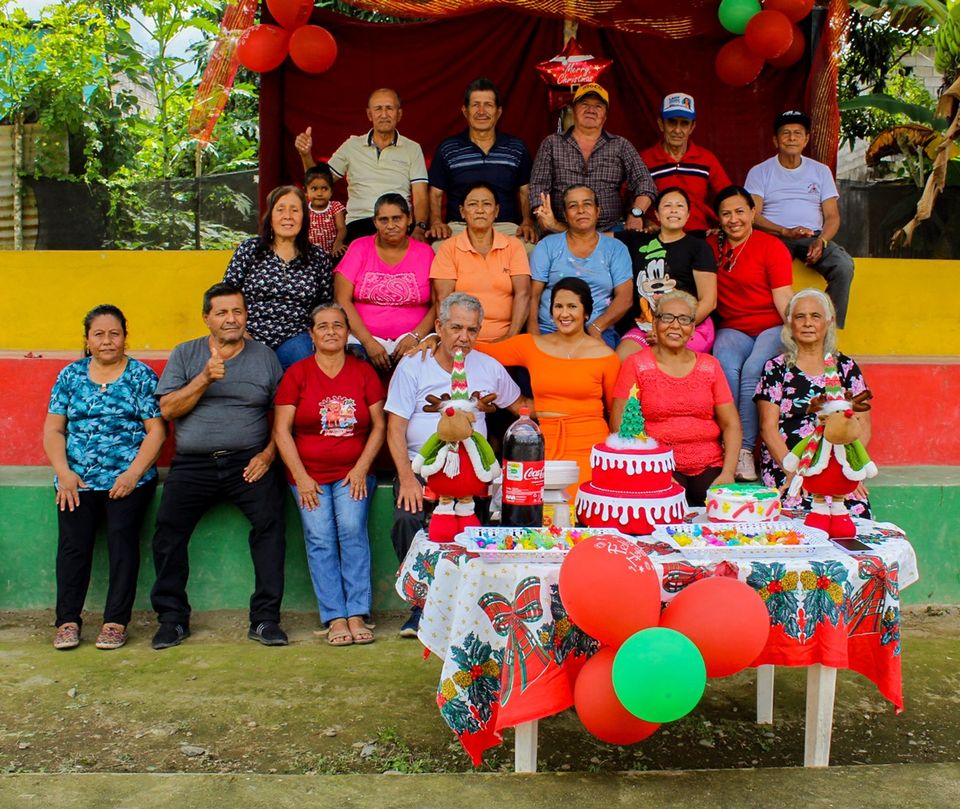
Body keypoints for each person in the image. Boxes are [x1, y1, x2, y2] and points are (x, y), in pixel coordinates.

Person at [150, 283, 287, 650]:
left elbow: (283, 417)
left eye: (237, 311)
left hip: (249, 462)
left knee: (271, 525)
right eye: (222, 312)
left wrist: (267, 455)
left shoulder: (264, 357)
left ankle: (265, 619)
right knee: (168, 532)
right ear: (206, 318)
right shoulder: (186, 354)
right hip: (193, 464)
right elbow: (168, 410)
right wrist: (204, 378)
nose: (231, 319)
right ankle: (172, 619)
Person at [385, 293, 526, 636]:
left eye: (472, 330)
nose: (464, 337)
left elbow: (522, 408)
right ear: (439, 326)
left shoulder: (488, 367)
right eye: (456, 328)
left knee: (481, 529)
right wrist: (407, 479)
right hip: (423, 469)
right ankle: (421, 607)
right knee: (406, 519)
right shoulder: (414, 366)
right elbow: (395, 428)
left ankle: (469, 607)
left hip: (472, 474)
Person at [43, 305, 166, 650]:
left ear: (125, 337)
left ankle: (115, 621)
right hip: (77, 481)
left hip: (127, 479)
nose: (107, 341)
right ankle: (67, 621)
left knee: (122, 542)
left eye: (114, 333)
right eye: (99, 334)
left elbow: (157, 431)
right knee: (73, 547)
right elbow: (53, 429)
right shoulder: (70, 375)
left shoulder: (141, 376)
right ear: (87, 340)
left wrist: (132, 474)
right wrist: (64, 473)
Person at [273, 303, 386, 646]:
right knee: (320, 536)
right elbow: (281, 430)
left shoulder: (363, 372)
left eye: (338, 325)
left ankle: (357, 612)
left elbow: (379, 426)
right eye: (322, 326)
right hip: (308, 475)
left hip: (353, 472)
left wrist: (361, 468)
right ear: (311, 334)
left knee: (351, 529)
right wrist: (301, 477)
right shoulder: (297, 374)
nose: (331, 331)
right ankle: (335, 616)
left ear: (348, 332)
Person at [476, 278, 619, 493]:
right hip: (543, 444)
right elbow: (481, 350)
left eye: (572, 306)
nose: (564, 313)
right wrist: (435, 338)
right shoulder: (532, 345)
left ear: (586, 313)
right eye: (558, 306)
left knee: (583, 507)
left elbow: (614, 411)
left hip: (591, 446)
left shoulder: (606, 356)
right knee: (543, 508)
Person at [610, 291, 740, 506]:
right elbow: (620, 425)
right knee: (666, 509)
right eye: (667, 317)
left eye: (684, 319)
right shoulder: (636, 364)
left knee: (718, 514)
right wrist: (652, 470)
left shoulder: (710, 365)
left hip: (709, 464)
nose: (675, 325)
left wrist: (728, 472)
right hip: (655, 464)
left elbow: (731, 424)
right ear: (654, 324)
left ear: (693, 329)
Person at [755, 288, 873, 517]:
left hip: (837, 462)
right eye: (800, 316)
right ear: (790, 323)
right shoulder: (776, 368)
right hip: (789, 462)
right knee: (797, 515)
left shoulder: (846, 367)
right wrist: (794, 472)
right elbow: (768, 428)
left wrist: (851, 468)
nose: (808, 323)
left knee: (854, 514)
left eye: (815, 316)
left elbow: (863, 424)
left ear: (828, 322)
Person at [708, 186, 794, 482]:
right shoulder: (710, 246)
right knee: (724, 365)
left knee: (755, 368)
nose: (734, 219)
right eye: (726, 214)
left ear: (753, 213)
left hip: (771, 325)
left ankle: (744, 449)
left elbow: (784, 296)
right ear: (718, 218)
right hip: (733, 326)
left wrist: (799, 333)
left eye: (740, 211)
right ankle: (726, 444)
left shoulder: (771, 246)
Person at [745, 110, 855, 328]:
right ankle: (769, 327)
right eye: (786, 133)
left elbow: (832, 216)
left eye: (798, 133)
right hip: (774, 237)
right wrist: (784, 231)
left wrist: (822, 241)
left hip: (812, 237)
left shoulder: (820, 171)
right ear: (775, 140)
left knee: (843, 266)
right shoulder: (760, 172)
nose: (792, 138)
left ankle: (826, 329)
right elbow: (752, 215)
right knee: (762, 272)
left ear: (806, 139)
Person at [295, 88, 429, 243]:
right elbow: (318, 181)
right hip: (359, 223)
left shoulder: (412, 148)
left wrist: (420, 227)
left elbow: (420, 195)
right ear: (369, 114)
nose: (384, 114)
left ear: (399, 114)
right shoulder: (352, 146)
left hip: (397, 223)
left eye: (389, 108)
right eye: (378, 109)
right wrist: (305, 155)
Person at [224, 185, 333, 369]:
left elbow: (324, 304)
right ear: (270, 216)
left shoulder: (317, 257)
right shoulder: (250, 249)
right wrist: (239, 332)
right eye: (280, 209)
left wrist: (316, 333)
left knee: (305, 358)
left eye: (295, 210)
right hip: (248, 334)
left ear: (304, 217)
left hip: (296, 338)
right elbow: (226, 294)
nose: (288, 216)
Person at [529, 83, 657, 234]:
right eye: (584, 104)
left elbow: (645, 182)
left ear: (605, 116)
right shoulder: (552, 143)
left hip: (610, 230)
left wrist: (636, 213)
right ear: (573, 110)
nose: (591, 110)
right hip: (561, 229)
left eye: (598, 106)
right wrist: (543, 217)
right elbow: (538, 185)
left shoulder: (620, 145)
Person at [427, 78, 536, 249]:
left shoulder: (516, 148)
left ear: (498, 111)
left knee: (530, 250)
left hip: (506, 227)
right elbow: (435, 194)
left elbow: (525, 191)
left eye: (488, 105)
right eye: (476, 105)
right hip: (460, 227)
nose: (482, 111)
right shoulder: (448, 148)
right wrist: (436, 221)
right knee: (438, 249)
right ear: (465, 111)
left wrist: (527, 221)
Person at [334, 193, 436, 372]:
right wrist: (368, 342)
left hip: (414, 340)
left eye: (397, 218)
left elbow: (439, 303)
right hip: (361, 340)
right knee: (353, 367)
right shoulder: (359, 247)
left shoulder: (425, 252)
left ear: (409, 219)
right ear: (375, 222)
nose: (390, 225)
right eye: (383, 220)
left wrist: (415, 336)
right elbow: (341, 299)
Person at [615, 187, 717, 359]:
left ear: (688, 214)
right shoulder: (638, 240)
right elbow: (594, 238)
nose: (674, 210)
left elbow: (709, 301)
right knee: (623, 358)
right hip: (646, 325)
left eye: (680, 206)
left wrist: (670, 328)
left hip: (689, 325)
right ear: (656, 213)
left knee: (668, 358)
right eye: (667, 205)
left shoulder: (698, 247)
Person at [529, 184, 633, 349]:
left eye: (587, 204)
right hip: (550, 329)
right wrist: (533, 332)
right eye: (573, 206)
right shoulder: (547, 245)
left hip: (598, 330)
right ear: (565, 215)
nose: (581, 210)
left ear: (598, 211)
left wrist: (596, 327)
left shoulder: (615, 248)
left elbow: (625, 297)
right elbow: (533, 294)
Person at [430, 181, 531, 343]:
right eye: (472, 204)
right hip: (460, 341)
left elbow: (523, 293)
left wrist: (510, 337)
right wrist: (456, 339)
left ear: (496, 211)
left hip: (506, 340)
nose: (480, 210)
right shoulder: (449, 248)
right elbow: (443, 299)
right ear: (462, 212)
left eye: (486, 204)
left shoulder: (513, 246)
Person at [639, 92, 732, 237]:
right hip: (658, 235)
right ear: (661, 124)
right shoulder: (644, 159)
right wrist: (645, 222)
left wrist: (722, 225)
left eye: (684, 123)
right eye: (672, 122)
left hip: (699, 235)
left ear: (692, 127)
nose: (677, 130)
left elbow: (729, 197)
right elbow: (629, 201)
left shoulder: (706, 159)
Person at [305, 164, 347, 257]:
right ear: (306, 191)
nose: (319, 193)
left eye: (324, 189)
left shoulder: (335, 207)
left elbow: (341, 228)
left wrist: (338, 243)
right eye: (314, 189)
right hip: (310, 256)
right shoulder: (304, 209)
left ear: (331, 191)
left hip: (332, 254)